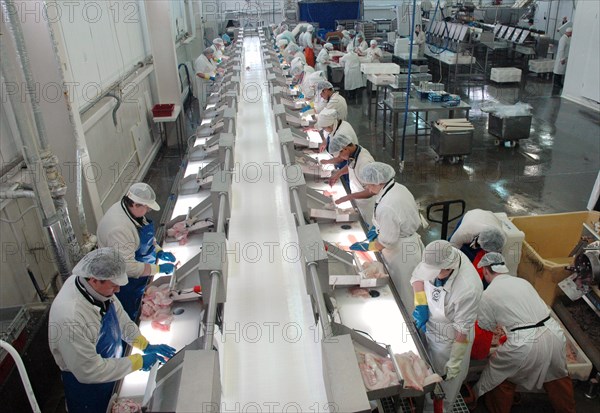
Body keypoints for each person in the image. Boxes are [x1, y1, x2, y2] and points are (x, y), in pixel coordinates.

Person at [49, 248, 176, 413]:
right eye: (114, 286)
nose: (118, 291)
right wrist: (138, 362)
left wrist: (144, 345)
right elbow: (89, 371)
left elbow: (120, 317)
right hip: (88, 388)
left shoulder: (94, 289)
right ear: (95, 280)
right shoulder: (70, 318)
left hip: (110, 366)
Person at [473, 252, 576, 413]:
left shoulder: (488, 295)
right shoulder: (522, 282)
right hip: (553, 332)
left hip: (525, 343)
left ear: (485, 271)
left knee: (499, 376)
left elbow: (486, 327)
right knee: (557, 376)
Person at [410, 240, 483, 411]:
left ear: (449, 268)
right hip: (430, 324)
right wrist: (421, 304)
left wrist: (455, 361)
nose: (432, 277)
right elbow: (417, 279)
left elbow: (462, 330)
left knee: (444, 388)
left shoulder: (468, 288)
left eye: (435, 274)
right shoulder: (437, 256)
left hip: (450, 339)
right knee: (426, 374)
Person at [350, 163, 424, 314]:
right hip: (407, 243)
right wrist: (376, 228)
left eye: (369, 185)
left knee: (405, 292)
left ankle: (411, 323)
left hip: (401, 253)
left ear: (378, 182)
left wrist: (367, 247)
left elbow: (386, 242)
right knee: (410, 286)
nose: (368, 189)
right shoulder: (397, 188)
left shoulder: (387, 206)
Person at [97, 183, 177, 320]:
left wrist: (157, 251)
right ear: (134, 204)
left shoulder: (131, 211)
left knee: (139, 302)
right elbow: (127, 267)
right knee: (128, 312)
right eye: (146, 207)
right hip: (122, 280)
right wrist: (158, 268)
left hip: (137, 264)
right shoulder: (119, 228)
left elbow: (143, 235)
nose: (147, 210)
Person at [324, 134, 376, 223]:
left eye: (340, 155)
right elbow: (351, 165)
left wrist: (349, 197)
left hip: (367, 205)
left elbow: (372, 191)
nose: (340, 158)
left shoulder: (364, 162)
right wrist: (338, 174)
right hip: (358, 198)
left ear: (345, 148)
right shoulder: (356, 152)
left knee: (366, 224)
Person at [193, 47, 218, 112]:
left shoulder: (208, 58)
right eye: (211, 55)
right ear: (207, 54)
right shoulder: (200, 61)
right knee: (203, 101)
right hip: (202, 83)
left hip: (207, 83)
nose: (212, 56)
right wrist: (210, 77)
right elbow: (199, 73)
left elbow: (211, 68)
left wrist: (217, 71)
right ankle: (203, 115)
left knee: (207, 99)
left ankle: (209, 111)